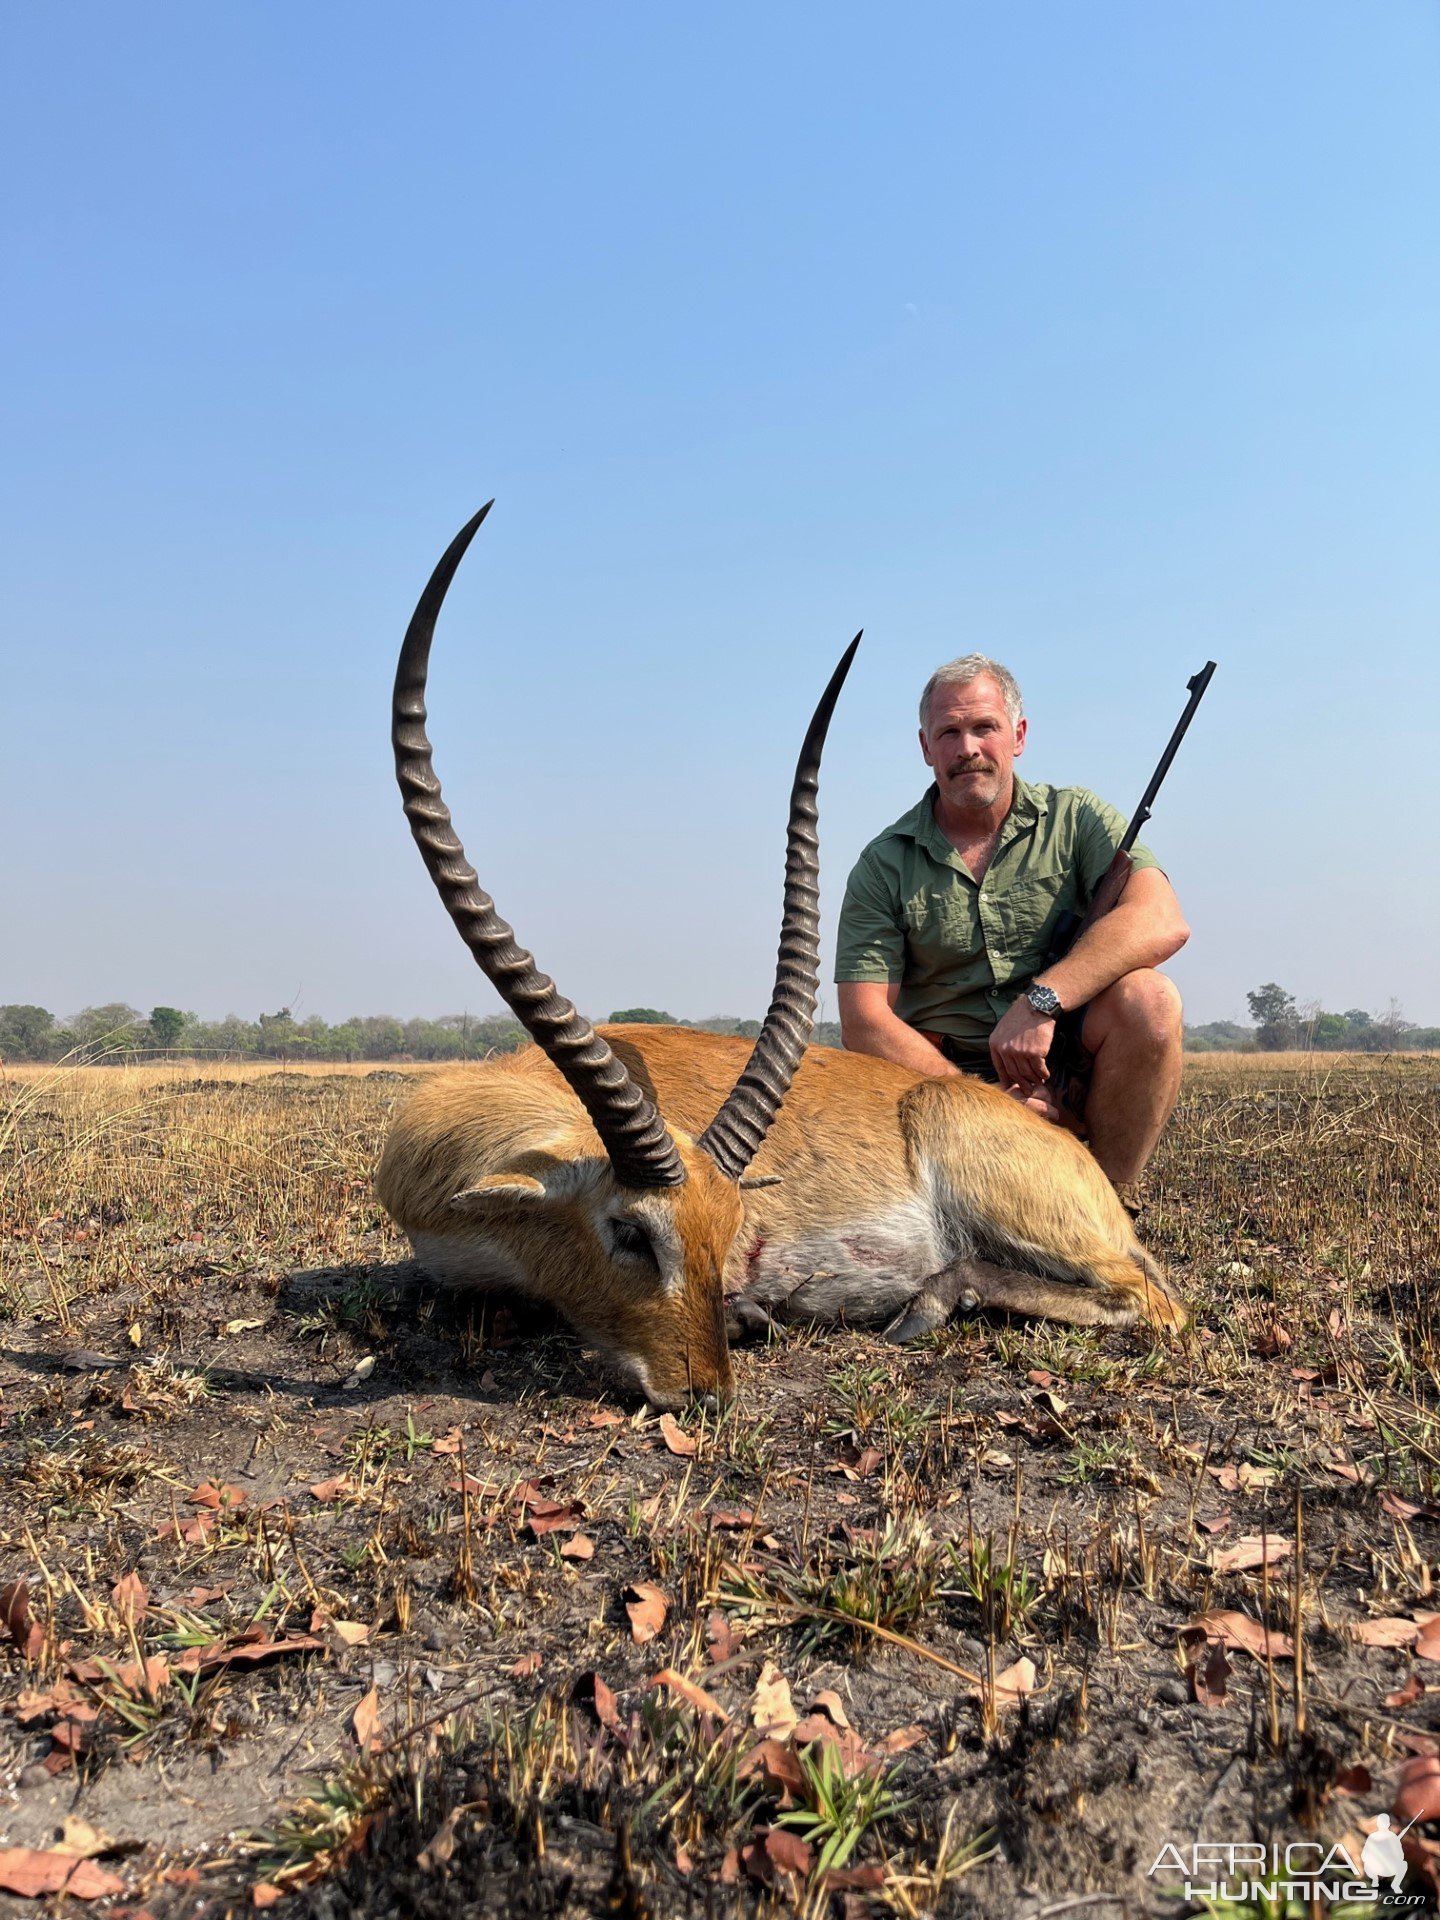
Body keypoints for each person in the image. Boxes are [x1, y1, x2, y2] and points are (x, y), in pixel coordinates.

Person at [834, 653, 1190, 1209]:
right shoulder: (883, 864)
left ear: (1018, 735)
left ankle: (1110, 1203)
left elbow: (1161, 918)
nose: (967, 748)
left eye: (984, 728)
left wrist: (1041, 1003)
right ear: (926, 748)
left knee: (1152, 1000)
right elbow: (864, 1021)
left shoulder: (1077, 818)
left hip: (1063, 1064)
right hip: (942, 1090)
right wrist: (983, 1101)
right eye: (948, 732)